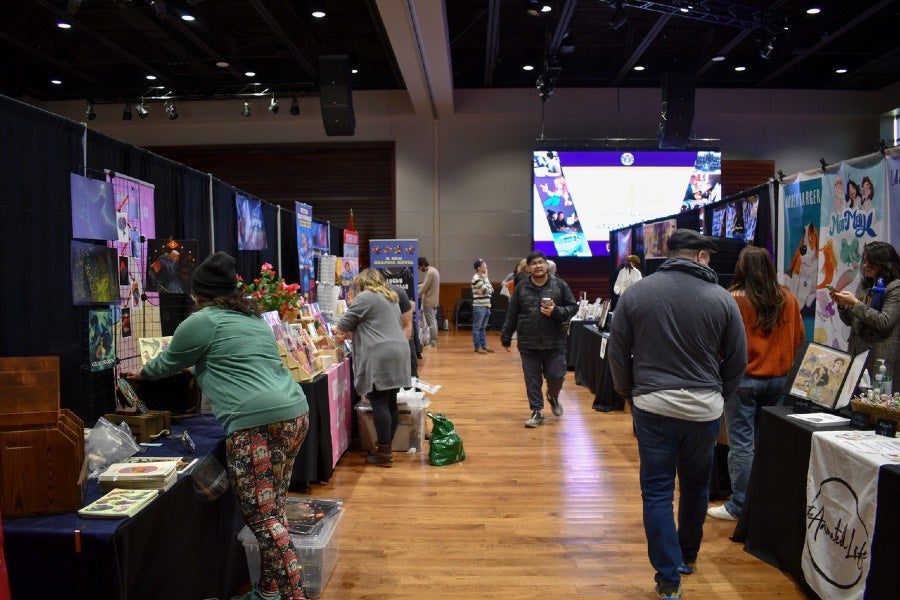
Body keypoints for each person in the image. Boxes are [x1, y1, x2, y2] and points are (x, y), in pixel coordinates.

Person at [127, 251, 310, 600]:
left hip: (256, 423)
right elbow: (232, 363)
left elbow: (167, 362)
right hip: (294, 413)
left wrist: (143, 372)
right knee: (274, 511)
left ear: (199, 293)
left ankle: (294, 596)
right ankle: (270, 591)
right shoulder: (253, 319)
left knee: (262, 519)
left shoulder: (201, 321)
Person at [608, 229, 747, 600]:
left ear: (670, 254)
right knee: (696, 486)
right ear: (702, 256)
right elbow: (738, 360)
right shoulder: (721, 298)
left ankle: (668, 577)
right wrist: (720, 394)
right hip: (704, 409)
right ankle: (688, 554)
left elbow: (617, 352)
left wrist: (629, 394)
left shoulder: (637, 293)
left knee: (656, 491)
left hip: (652, 405)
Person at [706, 246, 803, 523]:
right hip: (780, 380)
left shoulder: (732, 299)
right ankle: (764, 502)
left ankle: (740, 505)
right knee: (767, 442)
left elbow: (719, 343)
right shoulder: (789, 298)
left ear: (741, 267)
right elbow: (799, 338)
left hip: (743, 380)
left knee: (741, 444)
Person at [334, 268, 411, 466]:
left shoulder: (365, 297)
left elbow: (343, 324)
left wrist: (336, 330)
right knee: (390, 401)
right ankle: (386, 447)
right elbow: (376, 326)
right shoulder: (390, 296)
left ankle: (384, 453)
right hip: (399, 351)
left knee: (379, 403)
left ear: (362, 282)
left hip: (380, 355)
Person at [500, 251, 577, 427]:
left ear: (546, 265)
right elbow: (512, 314)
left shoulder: (559, 285)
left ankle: (553, 395)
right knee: (532, 380)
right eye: (534, 263)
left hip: (555, 342)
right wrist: (505, 337)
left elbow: (573, 307)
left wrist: (556, 311)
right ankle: (537, 412)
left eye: (541, 262)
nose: (538, 266)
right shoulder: (521, 287)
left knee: (556, 376)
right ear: (528, 268)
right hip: (528, 342)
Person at [832, 241, 900, 386]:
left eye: (871, 262)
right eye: (865, 261)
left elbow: (884, 322)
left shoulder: (895, 288)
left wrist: (855, 303)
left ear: (884, 264)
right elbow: (852, 321)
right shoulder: (864, 285)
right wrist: (844, 306)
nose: (865, 266)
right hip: (858, 353)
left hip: (880, 358)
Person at [471, 259, 494, 353]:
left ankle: (484, 346)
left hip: (486, 305)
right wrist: (486, 284)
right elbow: (486, 289)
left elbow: (491, 290)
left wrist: (486, 286)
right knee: (477, 327)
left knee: (483, 328)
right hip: (479, 306)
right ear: (479, 268)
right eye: (484, 265)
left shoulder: (484, 277)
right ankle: (478, 347)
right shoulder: (476, 278)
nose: (486, 266)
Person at [417, 256, 441, 348]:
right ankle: (433, 341)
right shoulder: (434, 270)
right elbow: (426, 284)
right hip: (434, 300)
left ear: (423, 265)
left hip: (429, 301)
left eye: (419, 267)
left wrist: (416, 295)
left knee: (431, 323)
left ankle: (433, 342)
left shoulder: (430, 273)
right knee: (433, 321)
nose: (419, 269)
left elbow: (425, 287)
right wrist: (417, 285)